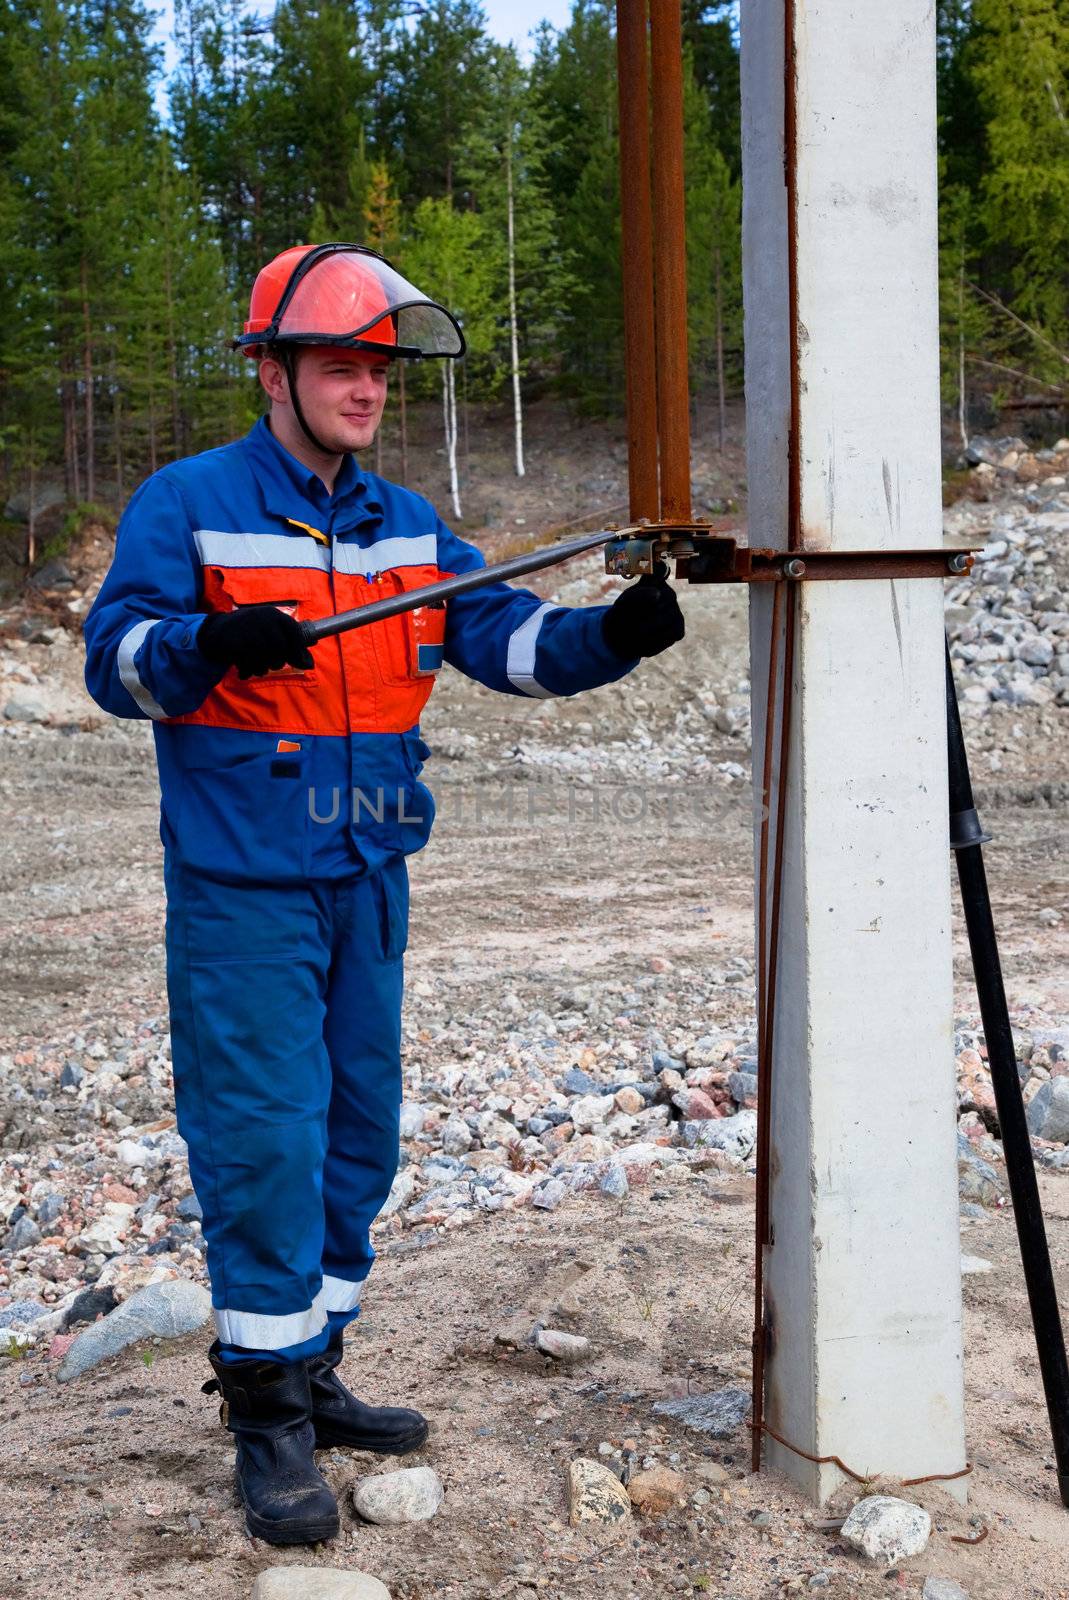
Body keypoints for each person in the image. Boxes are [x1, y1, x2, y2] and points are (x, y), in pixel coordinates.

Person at [82, 242, 685, 1546]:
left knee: (361, 1142)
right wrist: (202, 643)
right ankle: (263, 1415)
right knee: (267, 1145)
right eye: (344, 364)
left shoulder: (406, 528)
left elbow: (509, 641)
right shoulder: (187, 505)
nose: (368, 389)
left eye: (380, 369)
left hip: (368, 880)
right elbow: (114, 662)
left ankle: (310, 1361)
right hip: (245, 893)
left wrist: (614, 637)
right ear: (276, 370)